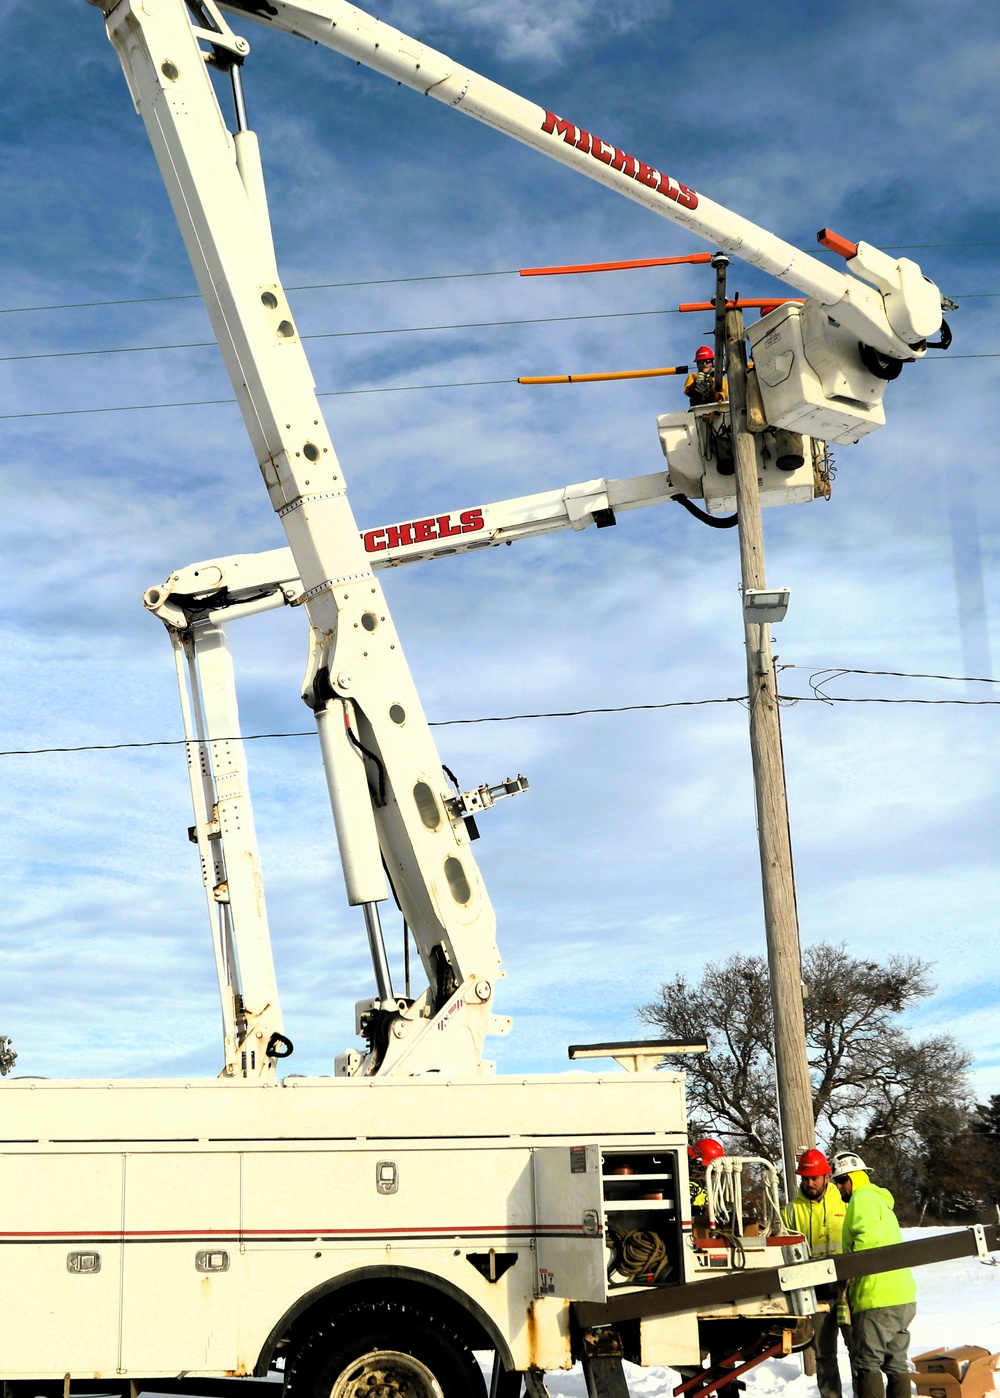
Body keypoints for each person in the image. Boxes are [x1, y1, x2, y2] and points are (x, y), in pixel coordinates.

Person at [832, 1151, 916, 1398]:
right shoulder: (880, 1201)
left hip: (875, 1296)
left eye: (841, 1181)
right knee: (897, 1364)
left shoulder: (862, 1199)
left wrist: (848, 1284)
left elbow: (865, 1246)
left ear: (854, 1179)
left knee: (867, 1363)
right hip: (902, 1296)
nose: (838, 1187)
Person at [782, 1149, 852, 1398]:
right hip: (815, 1293)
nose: (809, 1183)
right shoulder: (790, 1212)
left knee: (858, 1351)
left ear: (826, 1177)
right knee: (824, 1355)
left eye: (814, 1178)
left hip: (847, 1289)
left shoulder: (846, 1201)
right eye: (805, 1178)